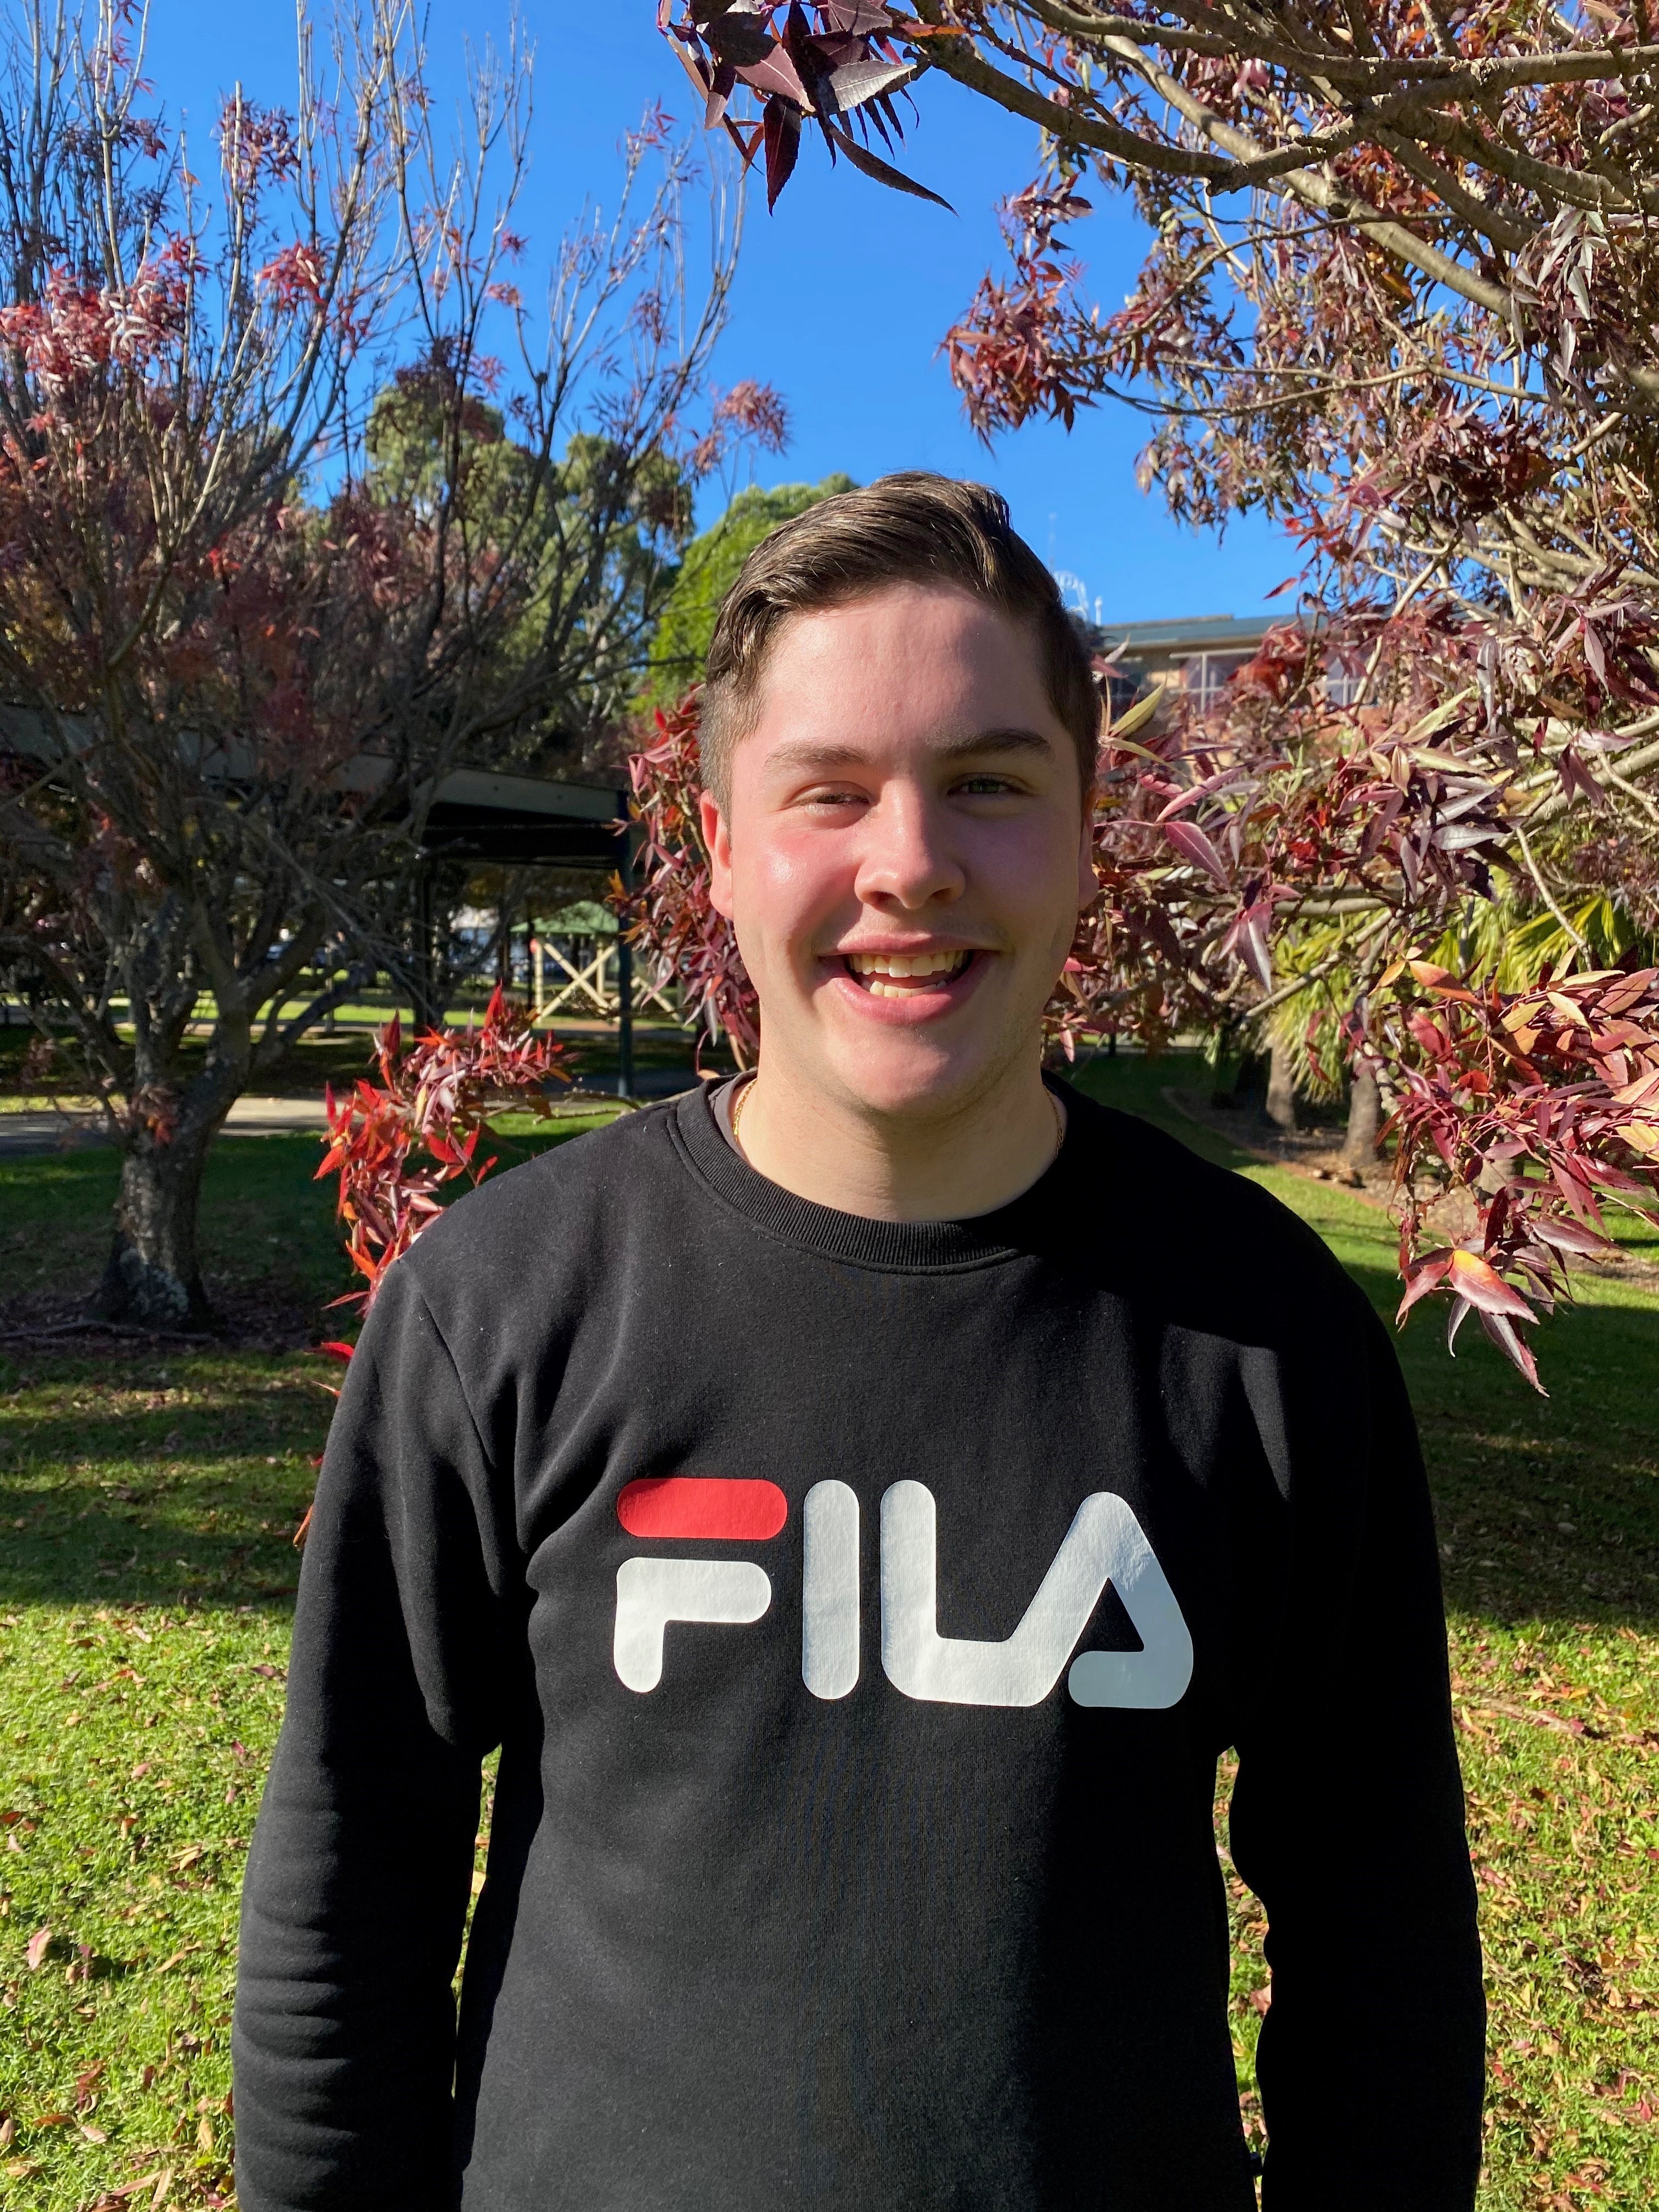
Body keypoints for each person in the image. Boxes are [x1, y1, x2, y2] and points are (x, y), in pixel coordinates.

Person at [233, 475, 1484, 2210]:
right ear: (725, 845)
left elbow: (1382, 1954)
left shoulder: (1270, 1346)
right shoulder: (501, 1308)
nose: (910, 864)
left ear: (1087, 823)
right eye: (832, 793)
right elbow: (346, 1887)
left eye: (987, 784)